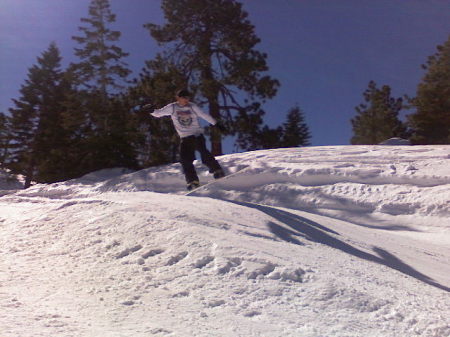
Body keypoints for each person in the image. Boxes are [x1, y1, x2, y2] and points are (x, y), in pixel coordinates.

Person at [144, 89, 226, 191]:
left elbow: (204, 115)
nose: (186, 100)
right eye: (184, 98)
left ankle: (217, 170)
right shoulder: (172, 107)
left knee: (204, 152)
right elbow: (159, 113)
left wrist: (216, 124)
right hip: (185, 138)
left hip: (196, 135)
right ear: (178, 98)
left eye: (188, 98)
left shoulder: (192, 106)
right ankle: (192, 181)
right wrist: (152, 110)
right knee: (185, 160)